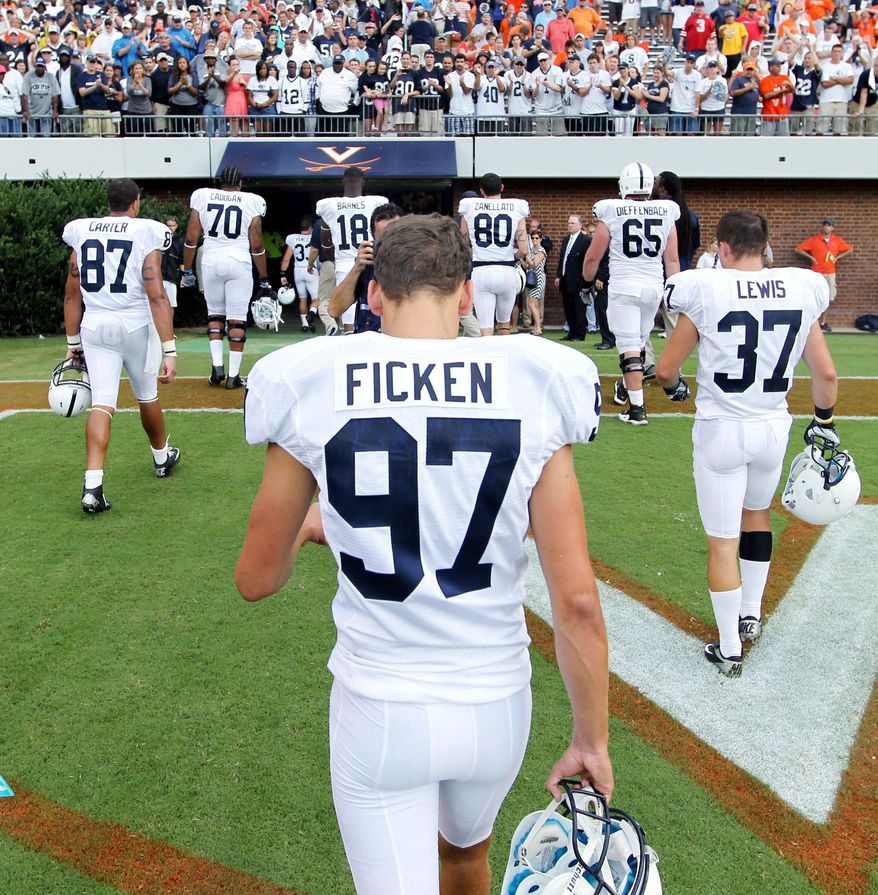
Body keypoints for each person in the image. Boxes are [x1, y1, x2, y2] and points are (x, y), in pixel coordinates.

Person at [235, 213, 612, 895]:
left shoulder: (309, 377)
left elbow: (257, 577)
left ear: (374, 294)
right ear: (466, 295)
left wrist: (318, 521)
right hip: (495, 703)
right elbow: (577, 600)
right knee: (465, 858)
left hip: (380, 705)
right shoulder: (534, 377)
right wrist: (592, 740)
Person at [657, 210, 839, 676]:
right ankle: (752, 613)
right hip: (772, 427)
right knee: (757, 515)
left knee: (722, 543)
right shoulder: (801, 287)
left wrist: (675, 388)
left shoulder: (705, 287)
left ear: (722, 247)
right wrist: (825, 421)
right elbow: (826, 373)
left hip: (722, 428)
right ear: (765, 245)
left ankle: (730, 645)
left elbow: (665, 370)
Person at [62, 178, 180, 514]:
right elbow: (156, 294)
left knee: (101, 404)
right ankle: (161, 458)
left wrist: (73, 343)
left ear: (109, 201)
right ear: (136, 203)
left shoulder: (81, 231)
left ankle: (92, 486)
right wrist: (169, 349)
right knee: (147, 394)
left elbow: (72, 292)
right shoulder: (147, 231)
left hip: (95, 326)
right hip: (135, 325)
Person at [583, 162, 680, 426]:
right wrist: (673, 291)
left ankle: (637, 409)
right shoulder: (666, 211)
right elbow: (671, 259)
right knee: (637, 345)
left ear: (623, 184)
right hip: (653, 287)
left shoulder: (611, 210)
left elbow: (594, 255)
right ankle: (628, 390)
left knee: (628, 349)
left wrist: (586, 280)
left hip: (625, 285)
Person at [182, 165, 271, 389]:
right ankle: (233, 375)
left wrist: (187, 269)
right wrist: (264, 277)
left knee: (215, 315)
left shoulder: (203, 197)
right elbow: (257, 244)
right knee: (237, 319)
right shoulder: (252, 201)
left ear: (219, 183)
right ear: (240, 184)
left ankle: (216, 367)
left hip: (210, 261)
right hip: (239, 261)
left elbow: (191, 239)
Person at [316, 166, 389, 334]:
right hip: (371, 262)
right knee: (376, 311)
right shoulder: (376, 202)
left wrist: (330, 255)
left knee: (348, 323)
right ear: (363, 182)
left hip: (344, 264)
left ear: (343, 182)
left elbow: (326, 241)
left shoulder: (330, 205)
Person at [458, 172, 530, 336]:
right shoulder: (516, 208)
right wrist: (513, 257)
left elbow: (461, 241)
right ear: (502, 188)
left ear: (481, 191)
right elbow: (524, 250)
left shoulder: (469, 206)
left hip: (481, 270)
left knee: (485, 327)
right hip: (506, 271)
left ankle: (488, 360)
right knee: (504, 325)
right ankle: (506, 360)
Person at [326, 202, 404, 332]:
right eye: (383, 241)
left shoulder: (417, 268)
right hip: (367, 347)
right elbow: (334, 309)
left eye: (395, 239)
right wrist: (357, 267)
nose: (390, 247)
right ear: (373, 241)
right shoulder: (367, 267)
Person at [795, 218, 852, 333]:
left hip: (830, 272)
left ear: (833, 228)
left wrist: (837, 258)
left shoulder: (837, 240)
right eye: (825, 225)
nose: (826, 227)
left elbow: (849, 249)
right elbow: (798, 249)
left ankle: (823, 322)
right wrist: (811, 257)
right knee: (814, 298)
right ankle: (813, 321)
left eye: (829, 225)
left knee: (828, 298)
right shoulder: (814, 240)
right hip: (816, 272)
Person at [280, 215, 320, 332]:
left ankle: (304, 324)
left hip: (298, 271)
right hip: (311, 269)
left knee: (302, 299)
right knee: (316, 299)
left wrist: (282, 274)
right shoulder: (315, 237)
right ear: (311, 227)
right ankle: (311, 315)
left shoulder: (293, 238)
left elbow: (286, 259)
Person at [555, 213, 590, 341]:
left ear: (580, 225)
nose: (569, 225)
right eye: (569, 223)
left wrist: (585, 280)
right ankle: (571, 331)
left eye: (572, 223)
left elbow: (586, 261)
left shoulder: (585, 240)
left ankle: (579, 334)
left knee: (579, 308)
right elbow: (562, 260)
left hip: (578, 280)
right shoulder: (566, 240)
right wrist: (559, 275)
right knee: (568, 308)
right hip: (566, 279)